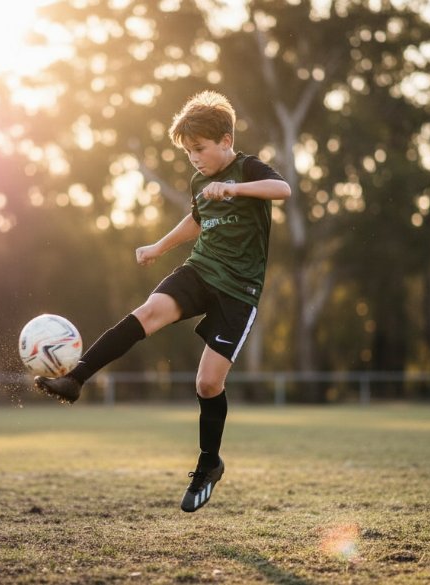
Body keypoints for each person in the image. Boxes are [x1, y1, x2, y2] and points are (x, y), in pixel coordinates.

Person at [35, 90, 291, 513]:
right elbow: (195, 220)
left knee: (208, 384)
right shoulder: (199, 180)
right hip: (200, 270)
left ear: (225, 140)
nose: (194, 158)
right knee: (148, 312)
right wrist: (158, 247)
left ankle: (209, 464)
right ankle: (76, 378)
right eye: (189, 151)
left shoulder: (247, 168)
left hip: (238, 290)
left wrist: (234, 189)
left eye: (200, 149)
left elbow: (282, 189)